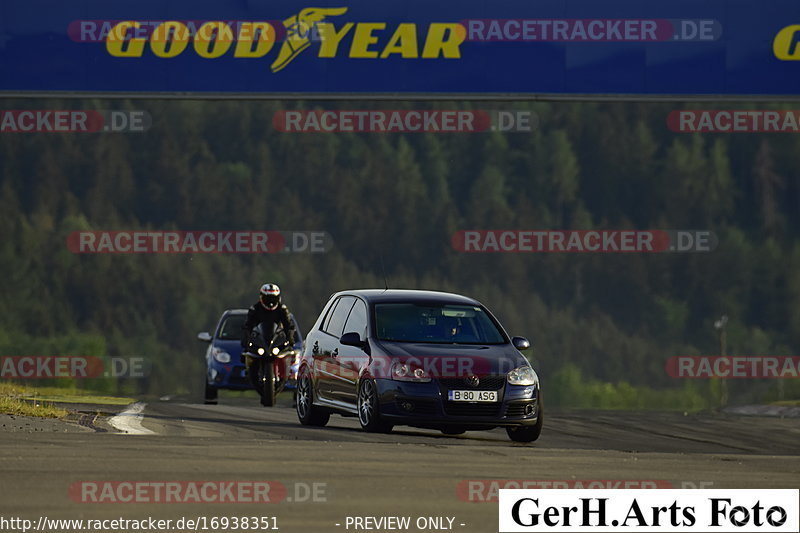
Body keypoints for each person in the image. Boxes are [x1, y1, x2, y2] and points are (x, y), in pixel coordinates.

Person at [241, 283, 296, 358]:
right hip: (259, 342)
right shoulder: (255, 309)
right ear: (261, 297)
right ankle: (251, 368)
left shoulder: (282, 309)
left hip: (277, 342)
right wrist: (246, 340)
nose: (271, 302)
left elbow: (288, 325)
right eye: (268, 299)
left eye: (273, 299)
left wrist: (290, 339)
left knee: (289, 354)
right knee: (248, 355)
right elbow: (248, 326)